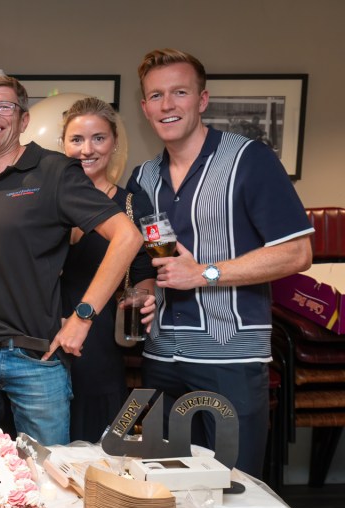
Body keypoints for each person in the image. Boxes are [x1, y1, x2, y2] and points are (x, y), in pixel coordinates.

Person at [128, 49, 313, 476]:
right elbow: (152, 259)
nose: (167, 104)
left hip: (229, 358)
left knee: (233, 487)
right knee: (166, 485)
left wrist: (205, 274)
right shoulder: (143, 178)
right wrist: (146, 291)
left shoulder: (250, 159)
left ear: (202, 99)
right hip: (161, 356)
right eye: (156, 95)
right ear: (145, 108)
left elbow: (297, 252)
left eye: (180, 92)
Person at [0, 75, 142, 446]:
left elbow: (128, 236)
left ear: (23, 121)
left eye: (5, 106)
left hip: (34, 359)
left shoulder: (55, 171)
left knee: (46, 473)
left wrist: (83, 316)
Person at [59, 96, 157, 442]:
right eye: (77, 139)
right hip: (42, 337)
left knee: (95, 448)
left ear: (114, 143)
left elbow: (145, 272)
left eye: (98, 138)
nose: (87, 149)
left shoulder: (133, 205)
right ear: (63, 144)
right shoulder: (44, 200)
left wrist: (144, 299)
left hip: (100, 340)